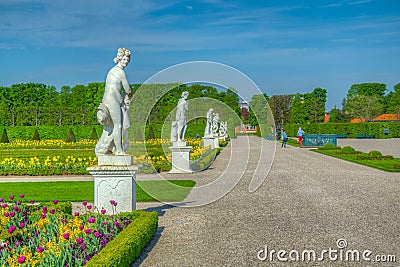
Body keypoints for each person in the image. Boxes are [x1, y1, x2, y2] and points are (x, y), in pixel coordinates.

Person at [95, 48, 132, 155]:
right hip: (113, 101)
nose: (126, 62)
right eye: (124, 59)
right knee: (118, 125)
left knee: (111, 127)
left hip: (107, 100)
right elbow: (128, 90)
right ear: (120, 59)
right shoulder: (120, 72)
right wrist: (129, 97)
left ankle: (112, 147)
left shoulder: (111, 71)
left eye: (127, 60)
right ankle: (119, 150)